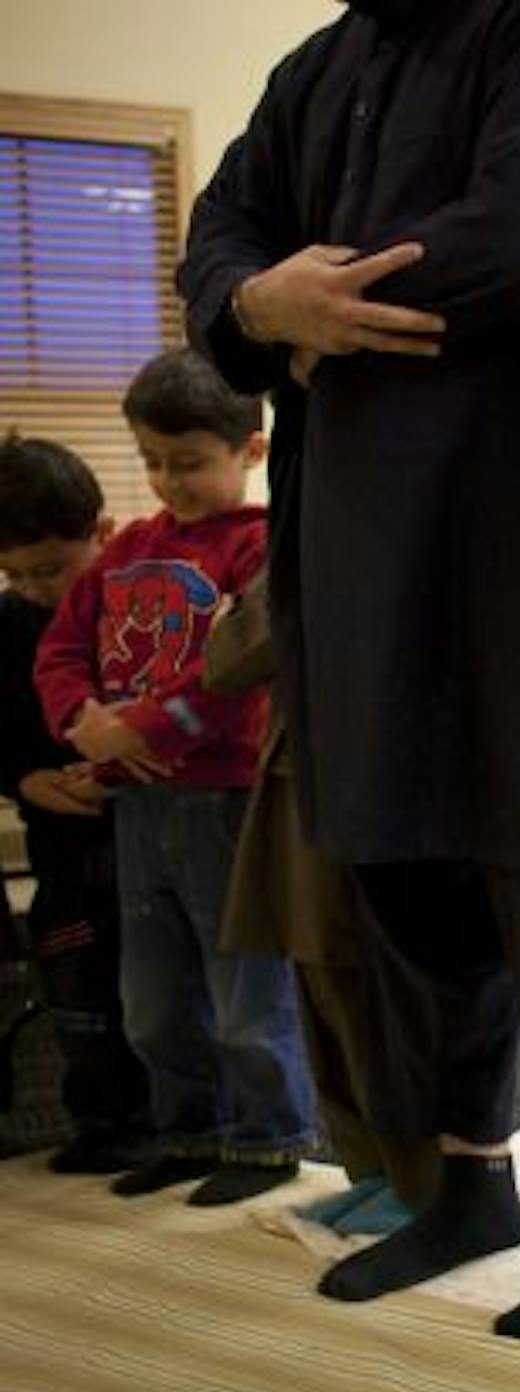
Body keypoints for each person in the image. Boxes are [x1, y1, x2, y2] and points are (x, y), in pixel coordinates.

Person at [175, 0, 520, 1343]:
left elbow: (514, 236)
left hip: (517, 499)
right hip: (345, 517)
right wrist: (253, 301)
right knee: (392, 850)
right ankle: (466, 1182)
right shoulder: (315, 67)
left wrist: (314, 300)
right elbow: (219, 231)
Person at [33, 349, 313, 1208]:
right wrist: (84, 721)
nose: (168, 481)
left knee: (244, 984)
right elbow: (61, 651)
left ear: (250, 452)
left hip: (226, 798)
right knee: (150, 990)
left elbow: (241, 674)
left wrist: (140, 727)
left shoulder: (260, 546)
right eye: (153, 462)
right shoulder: (129, 552)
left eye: (189, 462)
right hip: (140, 805)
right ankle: (187, 1125)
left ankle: (266, 1137)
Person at [203, 572, 438, 1237]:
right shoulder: (297, 539)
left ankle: (420, 1176)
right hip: (297, 769)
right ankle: (370, 1168)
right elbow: (224, 661)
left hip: (373, 779)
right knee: (317, 981)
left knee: (368, 986)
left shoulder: (370, 524)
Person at [0, 436, 152, 1175]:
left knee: (157, 981)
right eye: (17, 573)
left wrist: (117, 770)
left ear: (102, 532)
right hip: (60, 840)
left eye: (53, 569)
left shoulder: (139, 606)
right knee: (77, 986)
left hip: (146, 831)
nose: (36, 587)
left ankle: (175, 1115)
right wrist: (28, 779)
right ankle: (99, 1117)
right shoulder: (8, 624)